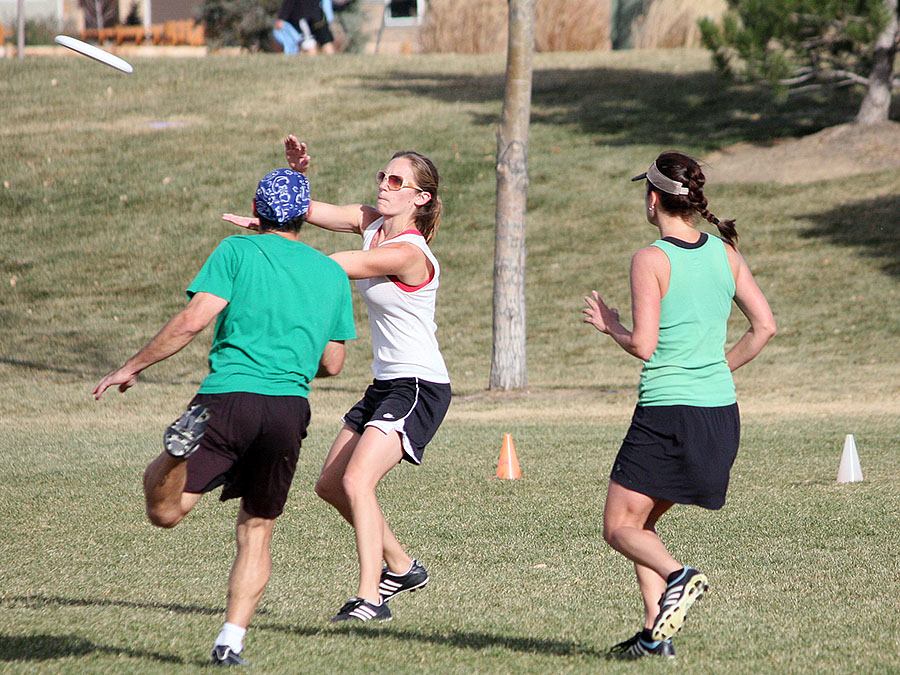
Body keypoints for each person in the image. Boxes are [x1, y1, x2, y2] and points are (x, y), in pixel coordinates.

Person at [93, 168, 356, 666]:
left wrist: (131, 367)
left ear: (258, 212)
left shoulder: (236, 251)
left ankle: (175, 455)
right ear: (305, 217)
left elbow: (193, 322)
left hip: (227, 398)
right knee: (257, 527)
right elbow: (333, 363)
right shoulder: (330, 273)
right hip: (287, 410)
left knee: (165, 513)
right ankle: (230, 642)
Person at [223, 136, 451, 624]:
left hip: (418, 385)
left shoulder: (408, 252)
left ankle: (371, 597)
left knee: (357, 480)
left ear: (420, 198)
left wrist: (269, 247)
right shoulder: (372, 224)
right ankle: (404, 566)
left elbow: (327, 267)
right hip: (387, 383)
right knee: (330, 485)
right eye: (382, 178)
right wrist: (289, 190)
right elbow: (303, 210)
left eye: (396, 181)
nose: (384, 187)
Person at [581, 151, 776, 660]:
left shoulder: (651, 258)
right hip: (719, 414)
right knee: (642, 526)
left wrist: (611, 327)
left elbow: (644, 346)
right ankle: (654, 638)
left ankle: (679, 576)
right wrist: (715, 371)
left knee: (618, 527)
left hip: (667, 412)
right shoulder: (725, 254)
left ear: (652, 199)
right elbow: (765, 328)